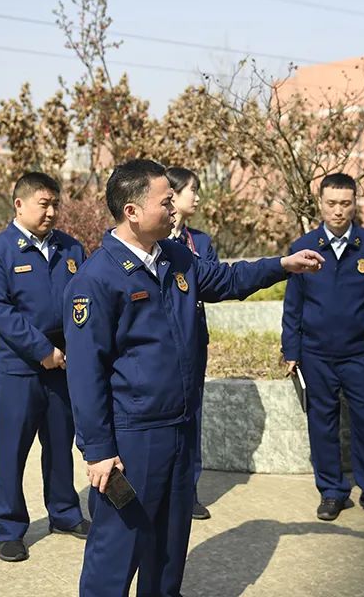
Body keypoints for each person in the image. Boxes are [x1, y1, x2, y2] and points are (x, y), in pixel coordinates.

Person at [64, 159, 323, 597]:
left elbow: (227, 279)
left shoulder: (176, 257)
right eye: (166, 202)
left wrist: (283, 264)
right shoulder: (96, 279)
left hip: (181, 425)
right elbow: (86, 373)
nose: (174, 210)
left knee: (170, 542)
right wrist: (99, 451)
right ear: (132, 211)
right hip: (134, 436)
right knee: (118, 546)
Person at [0, 172, 89, 563]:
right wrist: (43, 351)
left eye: (56, 204)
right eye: (44, 204)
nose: (52, 212)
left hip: (63, 366)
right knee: (11, 451)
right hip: (18, 371)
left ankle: (65, 513)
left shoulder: (70, 249)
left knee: (60, 445)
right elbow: (2, 314)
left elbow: (85, 301)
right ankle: (7, 529)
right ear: (19, 204)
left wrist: (77, 350)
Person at [281, 173, 364, 524]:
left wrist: (358, 323)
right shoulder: (303, 247)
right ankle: (332, 492)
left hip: (358, 354)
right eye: (331, 203)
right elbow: (293, 304)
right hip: (315, 354)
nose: (338, 211)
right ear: (320, 203)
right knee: (322, 424)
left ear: (354, 204)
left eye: (345, 204)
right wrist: (292, 351)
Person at [166, 166, 219, 520]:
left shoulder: (200, 242)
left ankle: (189, 491)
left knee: (192, 416)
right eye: (192, 190)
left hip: (193, 339)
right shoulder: (152, 240)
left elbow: (213, 282)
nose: (197, 197)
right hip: (161, 344)